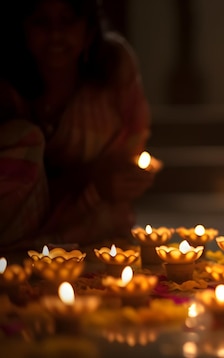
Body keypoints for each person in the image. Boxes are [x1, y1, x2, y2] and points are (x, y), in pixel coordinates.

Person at [0, 0, 157, 253]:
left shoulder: (115, 67)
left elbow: (130, 145)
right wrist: (90, 179)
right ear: (21, 29)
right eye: (41, 21)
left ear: (89, 30)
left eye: (67, 20)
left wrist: (123, 177)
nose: (56, 34)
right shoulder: (7, 88)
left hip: (91, 215)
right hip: (17, 222)